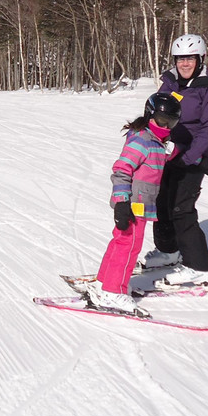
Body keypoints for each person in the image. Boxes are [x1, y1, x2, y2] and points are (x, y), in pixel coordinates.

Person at [74, 92, 183, 315]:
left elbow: (158, 160)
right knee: (129, 246)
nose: (165, 126)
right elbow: (121, 170)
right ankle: (113, 291)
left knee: (121, 242)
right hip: (133, 205)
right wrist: (122, 203)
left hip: (141, 204)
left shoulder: (155, 140)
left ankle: (104, 283)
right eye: (162, 120)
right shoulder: (143, 140)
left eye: (171, 123)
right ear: (150, 115)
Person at [141, 34, 208, 289]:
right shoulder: (169, 83)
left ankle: (199, 267)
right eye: (180, 59)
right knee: (161, 202)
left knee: (181, 209)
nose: (184, 64)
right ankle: (168, 251)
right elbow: (154, 113)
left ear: (201, 59)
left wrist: (189, 156)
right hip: (165, 152)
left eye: (190, 58)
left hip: (192, 157)